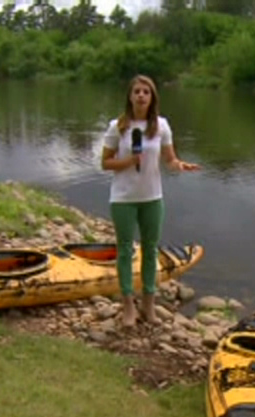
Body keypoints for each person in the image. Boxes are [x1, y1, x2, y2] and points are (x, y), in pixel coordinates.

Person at [100, 75, 200, 328]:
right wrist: (129, 161)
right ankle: (128, 305)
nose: (141, 95)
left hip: (152, 198)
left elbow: (169, 159)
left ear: (152, 97)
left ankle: (148, 304)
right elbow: (105, 163)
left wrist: (179, 165)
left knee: (150, 249)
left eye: (146, 92)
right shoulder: (118, 126)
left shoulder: (161, 126)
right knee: (124, 250)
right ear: (130, 96)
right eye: (137, 91)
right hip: (123, 198)